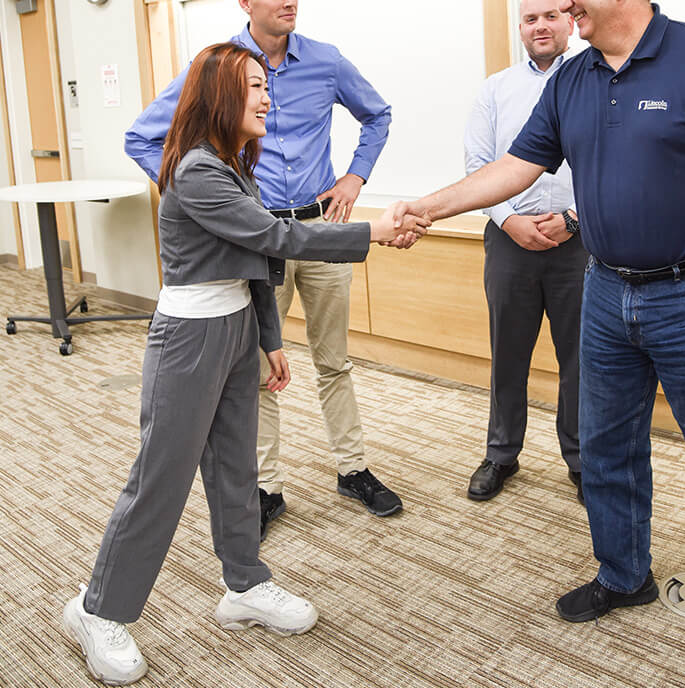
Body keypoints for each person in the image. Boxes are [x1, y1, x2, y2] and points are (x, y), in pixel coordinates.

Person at [393, 0, 685, 659]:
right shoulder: (572, 80)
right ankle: (623, 573)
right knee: (607, 448)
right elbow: (513, 169)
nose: (565, 3)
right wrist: (427, 206)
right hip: (607, 291)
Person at [63, 43, 427, 686]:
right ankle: (98, 610)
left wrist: (267, 338)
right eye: (255, 86)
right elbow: (274, 237)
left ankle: (246, 585)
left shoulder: (235, 166)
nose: (267, 97)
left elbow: (256, 264)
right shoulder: (197, 169)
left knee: (236, 471)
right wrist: (372, 231)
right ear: (219, 98)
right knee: (161, 478)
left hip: (232, 329)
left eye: (267, 85)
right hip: (188, 338)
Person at [125, 0, 402, 537]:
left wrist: (355, 177)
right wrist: (202, 199)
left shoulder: (325, 62)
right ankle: (265, 485)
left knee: (334, 361)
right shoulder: (221, 69)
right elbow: (142, 137)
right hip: (254, 240)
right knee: (257, 368)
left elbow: (377, 115)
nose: (290, 2)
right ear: (246, 2)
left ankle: (352, 468)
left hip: (319, 226)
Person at [464, 0, 586, 505]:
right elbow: (478, 168)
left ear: (569, 20)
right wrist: (510, 221)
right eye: (530, 18)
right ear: (521, 27)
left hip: (579, 241)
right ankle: (501, 454)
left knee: (581, 358)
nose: (541, 25)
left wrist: (574, 220)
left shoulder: (594, 80)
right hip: (509, 240)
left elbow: (609, 168)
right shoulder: (496, 90)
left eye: (551, 15)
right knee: (507, 353)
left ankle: (582, 460)